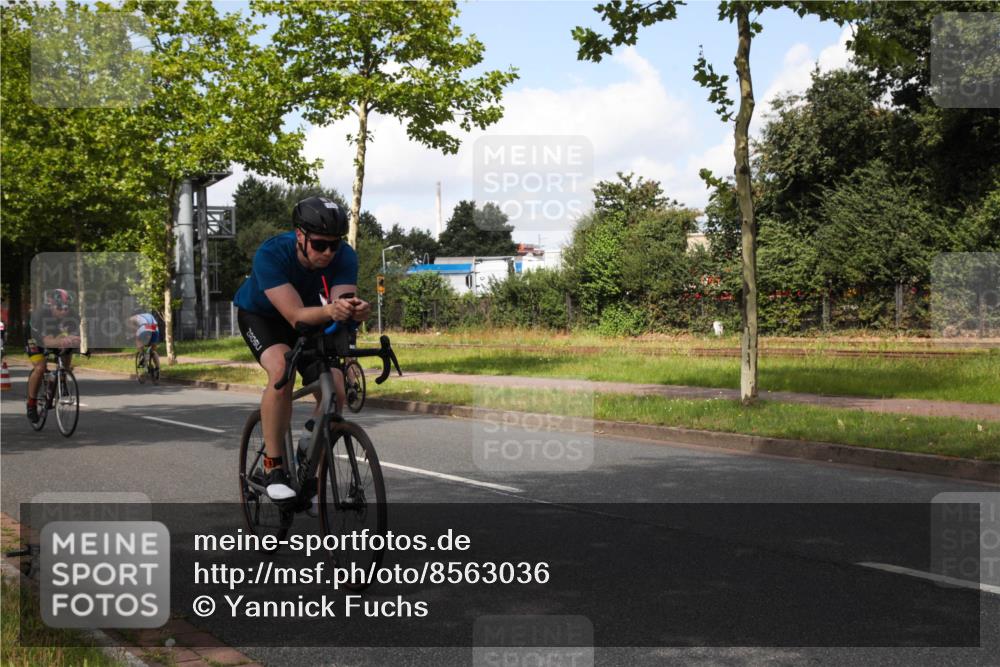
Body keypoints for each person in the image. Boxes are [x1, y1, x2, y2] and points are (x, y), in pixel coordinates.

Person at [233, 196, 370, 502]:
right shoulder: (272, 253)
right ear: (300, 236)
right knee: (282, 370)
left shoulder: (345, 256)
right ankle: (274, 467)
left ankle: (306, 455)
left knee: (335, 389)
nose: (328, 253)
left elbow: (340, 306)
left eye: (334, 245)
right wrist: (334, 311)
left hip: (313, 318)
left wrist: (355, 310)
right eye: (320, 245)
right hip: (263, 317)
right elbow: (294, 316)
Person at [25, 289, 80, 423]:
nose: (64, 311)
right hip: (34, 340)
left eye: (67, 307)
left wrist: (73, 340)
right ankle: (31, 403)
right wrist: (64, 340)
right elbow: (47, 341)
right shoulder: (41, 315)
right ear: (51, 305)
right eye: (60, 307)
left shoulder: (73, 316)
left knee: (68, 348)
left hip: (54, 336)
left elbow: (76, 337)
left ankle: (62, 376)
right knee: (40, 368)